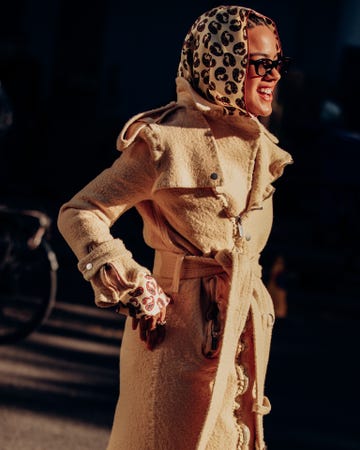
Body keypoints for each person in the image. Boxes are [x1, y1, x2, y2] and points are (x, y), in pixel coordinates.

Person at [57, 5, 293, 450]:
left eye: (279, 62)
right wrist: (135, 283)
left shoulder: (263, 147)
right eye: (261, 64)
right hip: (173, 347)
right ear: (223, 62)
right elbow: (81, 211)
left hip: (240, 345)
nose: (274, 75)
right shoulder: (165, 141)